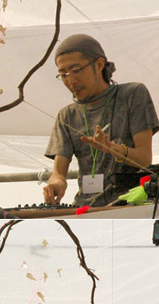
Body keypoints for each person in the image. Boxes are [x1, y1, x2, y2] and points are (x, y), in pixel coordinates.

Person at [44, 34, 159, 207]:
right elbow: (58, 173)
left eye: (76, 70)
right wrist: (57, 182)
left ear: (99, 64)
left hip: (129, 204)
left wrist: (113, 149)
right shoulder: (66, 115)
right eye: (63, 74)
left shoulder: (133, 94)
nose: (71, 81)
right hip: (85, 207)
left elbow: (144, 158)